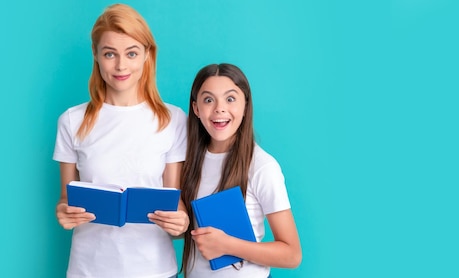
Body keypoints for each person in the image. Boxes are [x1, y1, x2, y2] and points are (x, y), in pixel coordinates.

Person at [53, 3, 189, 278]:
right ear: (96, 55)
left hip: (155, 270)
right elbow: (66, 199)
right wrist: (64, 213)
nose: (121, 65)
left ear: (147, 55)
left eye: (131, 53)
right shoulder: (71, 120)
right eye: (109, 54)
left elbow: (175, 200)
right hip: (88, 269)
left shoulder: (172, 119)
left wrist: (181, 221)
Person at [180, 63, 302, 277]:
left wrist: (227, 245)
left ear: (245, 105)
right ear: (196, 109)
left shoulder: (262, 166)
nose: (219, 108)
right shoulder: (189, 162)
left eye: (230, 99)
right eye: (209, 100)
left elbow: (292, 255)